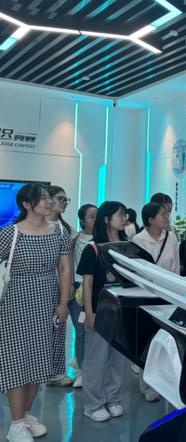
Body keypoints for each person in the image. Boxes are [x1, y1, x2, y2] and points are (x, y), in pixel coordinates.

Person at [0, 183, 73, 442]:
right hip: (14, 304)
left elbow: (65, 269)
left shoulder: (59, 232)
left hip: (48, 301)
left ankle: (26, 415)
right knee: (16, 362)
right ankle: (16, 425)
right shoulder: (9, 234)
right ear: (26, 204)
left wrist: (63, 303)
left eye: (48, 197)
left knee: (40, 360)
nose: (49, 202)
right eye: (42, 198)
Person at [76, 201, 128, 422]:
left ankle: (113, 398)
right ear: (107, 219)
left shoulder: (127, 246)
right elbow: (87, 283)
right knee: (95, 359)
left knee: (118, 359)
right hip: (99, 310)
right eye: (120, 214)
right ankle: (93, 404)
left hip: (122, 310)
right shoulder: (93, 248)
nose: (124, 219)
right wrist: (89, 313)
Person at [132, 202, 180, 401]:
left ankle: (166, 382)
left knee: (167, 340)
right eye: (162, 214)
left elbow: (176, 267)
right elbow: (138, 269)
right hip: (146, 295)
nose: (166, 217)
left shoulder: (172, 238)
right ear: (151, 220)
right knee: (147, 340)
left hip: (168, 295)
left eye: (167, 214)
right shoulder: (138, 240)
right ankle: (148, 385)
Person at [44, 185, 76, 388]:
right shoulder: (30, 226)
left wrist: (69, 284)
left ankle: (55, 372)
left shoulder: (66, 230)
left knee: (57, 328)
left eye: (66, 200)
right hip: (34, 286)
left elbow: (68, 262)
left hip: (59, 286)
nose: (64, 203)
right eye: (60, 199)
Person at [69, 204, 98, 389]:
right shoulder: (75, 240)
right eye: (92, 216)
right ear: (82, 220)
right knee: (80, 331)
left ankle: (92, 369)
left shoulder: (100, 240)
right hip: (78, 288)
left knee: (94, 333)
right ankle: (81, 370)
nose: (96, 220)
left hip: (95, 288)